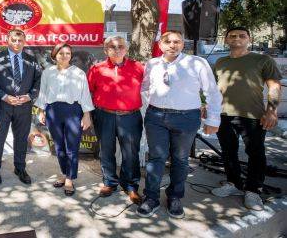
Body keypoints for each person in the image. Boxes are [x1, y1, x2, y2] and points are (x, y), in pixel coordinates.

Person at [137, 30, 222, 219]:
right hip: (156, 116)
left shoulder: (197, 63)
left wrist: (213, 119)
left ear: (183, 44)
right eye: (168, 41)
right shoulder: (152, 64)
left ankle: (175, 197)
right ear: (160, 45)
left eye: (177, 41)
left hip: (186, 118)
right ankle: (151, 198)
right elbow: (144, 88)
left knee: (180, 159)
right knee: (156, 158)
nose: (172, 45)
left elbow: (212, 92)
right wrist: (147, 110)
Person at [211, 27, 283, 210]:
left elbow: (274, 86)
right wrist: (208, 108)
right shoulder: (220, 62)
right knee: (228, 152)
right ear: (226, 40)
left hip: (253, 116)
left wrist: (272, 111)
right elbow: (213, 89)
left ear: (249, 39)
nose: (237, 38)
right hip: (223, 115)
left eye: (242, 36)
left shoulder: (262, 60)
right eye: (232, 36)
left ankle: (253, 190)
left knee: (256, 153)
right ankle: (233, 183)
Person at [87, 36, 144, 204]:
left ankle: (131, 186)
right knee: (106, 150)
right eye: (112, 47)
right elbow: (88, 92)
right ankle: (110, 182)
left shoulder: (139, 67)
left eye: (120, 46)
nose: (117, 49)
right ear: (106, 50)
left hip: (130, 116)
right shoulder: (97, 68)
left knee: (131, 153)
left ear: (126, 49)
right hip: (104, 115)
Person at [35, 43, 94, 197]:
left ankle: (70, 178)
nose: (65, 56)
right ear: (54, 55)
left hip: (73, 111)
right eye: (61, 53)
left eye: (68, 53)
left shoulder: (78, 73)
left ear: (71, 55)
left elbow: (85, 94)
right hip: (53, 111)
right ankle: (63, 173)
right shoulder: (48, 72)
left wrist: (87, 114)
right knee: (59, 146)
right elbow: (43, 92)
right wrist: (41, 110)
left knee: (72, 147)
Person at [0, 29, 41, 186]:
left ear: (24, 41)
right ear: (7, 40)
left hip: (24, 107)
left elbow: (39, 80)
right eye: (14, 40)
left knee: (21, 139)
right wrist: (4, 96)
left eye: (20, 40)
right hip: (2, 106)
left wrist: (30, 96)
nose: (17, 43)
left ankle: (20, 168)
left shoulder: (31, 59)